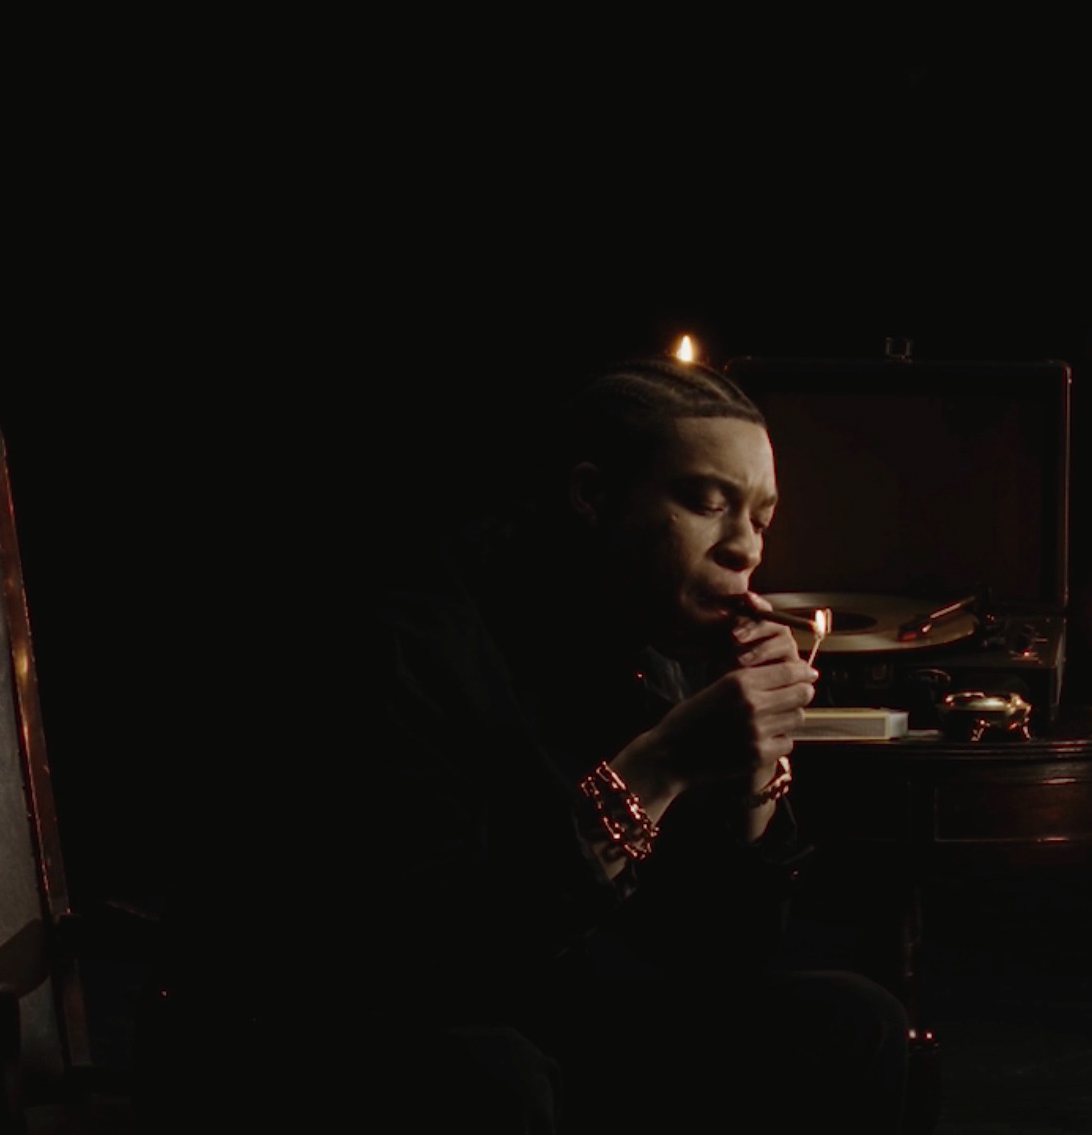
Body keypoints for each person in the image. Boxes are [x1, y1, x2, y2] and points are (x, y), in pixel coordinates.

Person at [364, 356, 910, 1133]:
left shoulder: (664, 647)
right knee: (491, 1073)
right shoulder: (417, 645)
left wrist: (756, 776)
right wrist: (660, 765)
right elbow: (437, 961)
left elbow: (722, 956)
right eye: (708, 502)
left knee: (857, 1022)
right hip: (446, 1021)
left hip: (603, 1025)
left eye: (760, 518)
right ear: (592, 495)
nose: (744, 549)